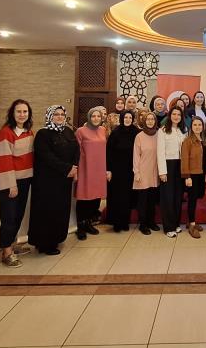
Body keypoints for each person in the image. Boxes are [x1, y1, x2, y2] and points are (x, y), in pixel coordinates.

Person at [30, 105, 79, 254]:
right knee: (47, 211)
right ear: (50, 116)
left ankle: (57, 238)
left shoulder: (68, 131)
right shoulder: (43, 134)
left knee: (61, 210)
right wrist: (67, 168)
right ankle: (45, 243)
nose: (59, 117)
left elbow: (76, 150)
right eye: (56, 114)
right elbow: (47, 156)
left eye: (62, 114)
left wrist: (74, 167)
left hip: (64, 180)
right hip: (47, 180)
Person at [0, 99, 34, 268]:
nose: (22, 115)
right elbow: (4, 160)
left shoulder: (28, 132)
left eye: (25, 112)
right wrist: (11, 184)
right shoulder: (6, 133)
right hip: (11, 182)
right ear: (12, 113)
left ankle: (12, 244)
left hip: (25, 180)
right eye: (19, 111)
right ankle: (6, 252)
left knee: (18, 214)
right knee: (9, 217)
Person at [75, 109, 107, 239]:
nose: (96, 118)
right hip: (85, 168)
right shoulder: (80, 131)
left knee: (96, 197)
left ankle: (89, 223)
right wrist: (76, 170)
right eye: (93, 116)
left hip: (99, 169)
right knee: (84, 198)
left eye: (98, 116)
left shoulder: (103, 130)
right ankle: (80, 226)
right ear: (89, 117)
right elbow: (76, 151)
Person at [106, 110, 140, 232]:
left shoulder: (136, 132)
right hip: (117, 170)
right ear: (121, 118)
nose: (128, 119)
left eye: (130, 117)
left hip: (131, 170)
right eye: (125, 117)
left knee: (128, 197)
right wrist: (108, 170)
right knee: (117, 196)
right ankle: (116, 223)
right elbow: (109, 152)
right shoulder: (115, 133)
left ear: (133, 119)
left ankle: (125, 222)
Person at [158, 106, 187, 237]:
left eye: (179, 115)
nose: (176, 117)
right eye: (174, 114)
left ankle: (176, 224)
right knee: (168, 197)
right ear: (170, 116)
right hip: (168, 165)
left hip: (180, 165)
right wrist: (162, 172)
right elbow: (160, 152)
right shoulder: (163, 130)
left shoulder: (183, 130)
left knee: (177, 196)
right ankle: (168, 227)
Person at [132, 112, 161, 235]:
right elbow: (136, 156)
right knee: (143, 201)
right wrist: (136, 172)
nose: (150, 121)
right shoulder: (139, 136)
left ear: (155, 121)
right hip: (143, 172)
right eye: (148, 119)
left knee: (152, 200)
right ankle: (143, 224)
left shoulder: (159, 134)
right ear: (144, 121)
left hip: (155, 172)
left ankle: (151, 222)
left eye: (152, 119)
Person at [181, 116, 206, 238]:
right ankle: (192, 225)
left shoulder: (203, 140)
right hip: (192, 175)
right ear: (191, 127)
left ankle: (191, 221)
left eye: (199, 125)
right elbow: (184, 159)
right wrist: (187, 176)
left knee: (197, 197)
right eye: (195, 125)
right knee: (192, 199)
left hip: (201, 174)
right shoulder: (188, 141)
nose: (197, 127)